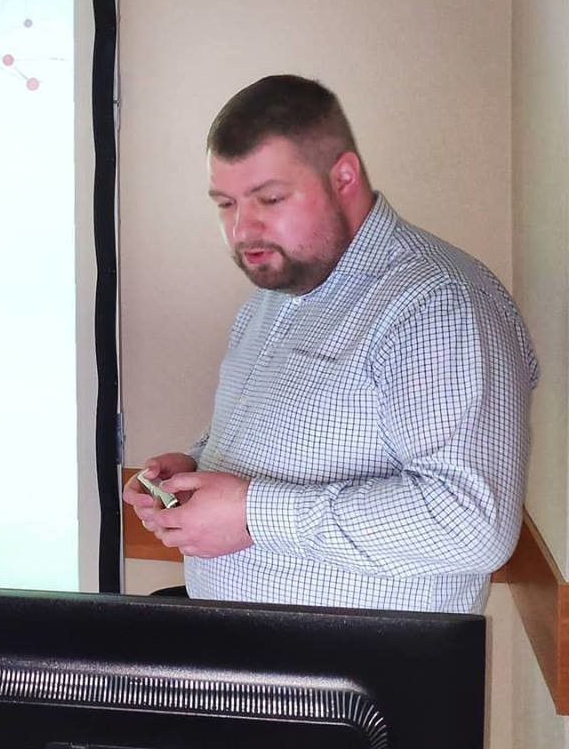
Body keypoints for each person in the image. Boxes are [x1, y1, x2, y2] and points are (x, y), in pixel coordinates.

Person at [123, 74, 538, 614]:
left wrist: (252, 514)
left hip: (361, 666)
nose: (243, 230)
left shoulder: (438, 301)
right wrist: (194, 467)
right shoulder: (276, 292)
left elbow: (473, 524)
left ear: (343, 177)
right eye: (225, 204)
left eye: (269, 198)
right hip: (255, 651)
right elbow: (279, 438)